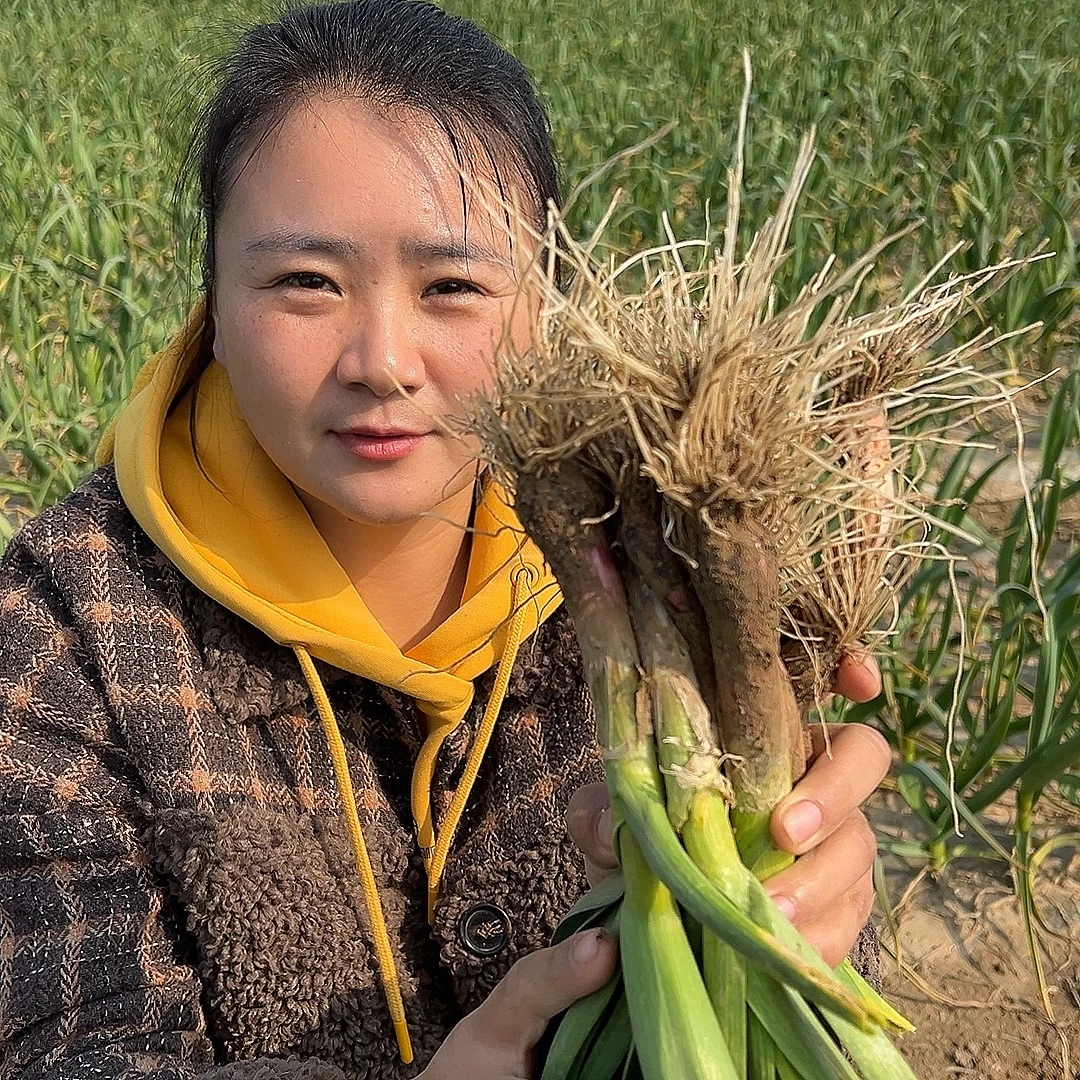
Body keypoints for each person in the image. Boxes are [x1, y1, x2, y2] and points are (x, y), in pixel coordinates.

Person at [0, 2, 892, 1078]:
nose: (382, 359)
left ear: (550, 309)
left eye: (453, 286)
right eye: (306, 284)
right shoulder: (62, 633)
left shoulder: (666, 572)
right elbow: (66, 1051)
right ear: (213, 310)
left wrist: (800, 901)